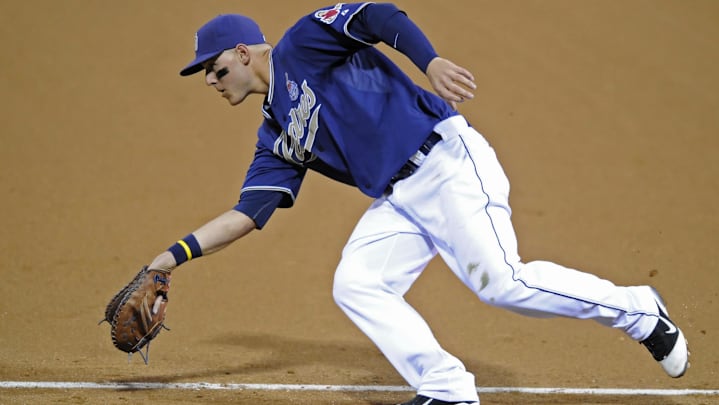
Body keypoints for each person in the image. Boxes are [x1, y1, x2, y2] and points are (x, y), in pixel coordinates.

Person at [147, 3, 689, 404]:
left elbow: (378, 15)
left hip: (448, 163)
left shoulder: (302, 43)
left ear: (243, 53)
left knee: (501, 283)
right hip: (401, 199)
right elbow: (248, 212)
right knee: (357, 283)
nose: (212, 82)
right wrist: (168, 259)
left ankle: (639, 311)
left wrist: (428, 62)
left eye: (214, 70)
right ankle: (447, 388)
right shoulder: (277, 135)